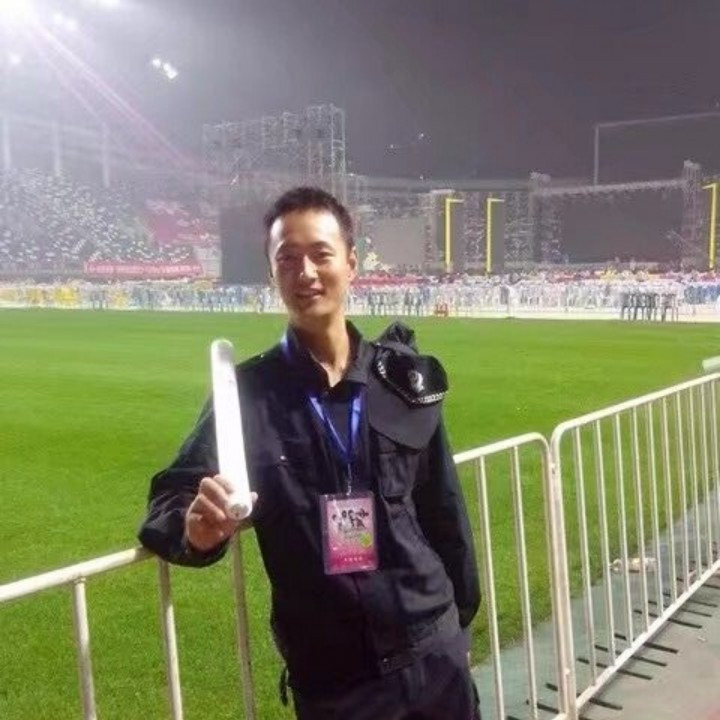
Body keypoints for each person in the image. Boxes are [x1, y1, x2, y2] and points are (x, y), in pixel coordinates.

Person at [138, 186, 481, 720]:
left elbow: (445, 511)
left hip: (434, 657)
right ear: (271, 273)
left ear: (351, 263)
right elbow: (170, 496)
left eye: (321, 254)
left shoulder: (400, 380)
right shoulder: (247, 395)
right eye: (287, 259)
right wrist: (196, 531)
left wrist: (457, 629)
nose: (306, 273)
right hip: (336, 685)